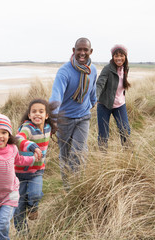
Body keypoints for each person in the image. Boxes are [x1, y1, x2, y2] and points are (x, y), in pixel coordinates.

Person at [0, 113, 42, 240]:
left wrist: (33, 159)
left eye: (4, 132)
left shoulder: (12, 148)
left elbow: (20, 160)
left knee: (1, 224)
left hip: (10, 193)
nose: (0, 136)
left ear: (9, 135)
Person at [49, 37, 97, 191]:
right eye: (79, 50)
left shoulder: (93, 70)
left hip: (83, 117)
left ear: (91, 52)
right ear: (73, 51)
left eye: (85, 50)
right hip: (64, 119)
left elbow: (92, 88)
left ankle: (78, 187)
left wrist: (94, 101)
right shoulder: (64, 71)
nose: (82, 53)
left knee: (78, 153)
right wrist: (53, 119)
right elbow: (56, 95)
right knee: (65, 155)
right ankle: (67, 187)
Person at [13, 99, 58, 234]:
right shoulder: (27, 127)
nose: (37, 114)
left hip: (37, 171)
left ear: (46, 115)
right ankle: (23, 233)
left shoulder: (48, 128)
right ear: (29, 115)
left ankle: (33, 208)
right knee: (19, 205)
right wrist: (32, 146)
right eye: (34, 111)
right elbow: (18, 139)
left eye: (41, 111)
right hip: (19, 172)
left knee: (35, 194)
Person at [96, 44, 131, 150]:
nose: (119, 58)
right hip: (104, 105)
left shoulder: (126, 68)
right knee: (103, 135)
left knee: (125, 130)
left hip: (120, 105)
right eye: (116, 56)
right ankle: (103, 157)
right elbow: (100, 84)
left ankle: (127, 154)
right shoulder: (107, 69)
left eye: (121, 55)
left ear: (125, 56)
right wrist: (95, 97)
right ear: (113, 57)